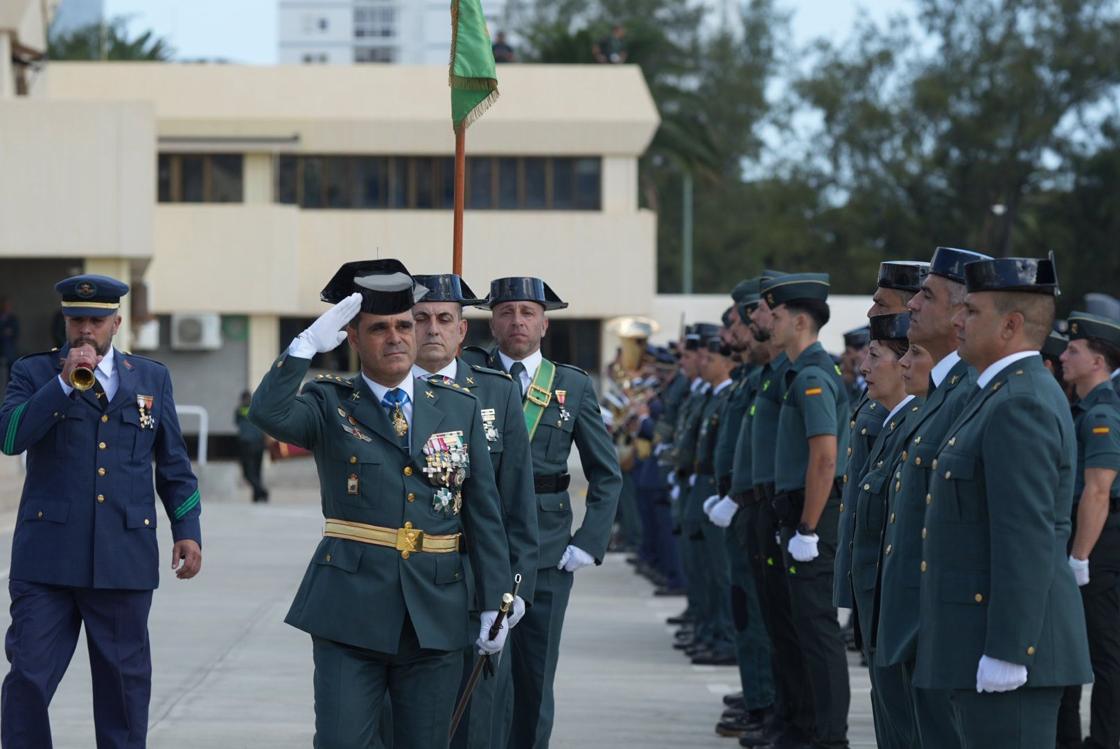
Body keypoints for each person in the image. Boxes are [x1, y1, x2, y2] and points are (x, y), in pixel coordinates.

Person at [248, 260, 512, 749]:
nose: (395, 338)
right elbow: (268, 413)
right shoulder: (330, 403)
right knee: (341, 740)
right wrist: (303, 347)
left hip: (436, 608)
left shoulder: (457, 405)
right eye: (379, 328)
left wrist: (494, 601)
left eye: (403, 326)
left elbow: (483, 512)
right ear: (352, 339)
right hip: (350, 608)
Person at [0, 274, 203, 748]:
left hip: (123, 559)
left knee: (124, 694)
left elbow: (173, 463)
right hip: (47, 560)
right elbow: (10, 439)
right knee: (27, 678)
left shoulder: (151, 378)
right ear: (65, 322)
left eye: (95, 320)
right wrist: (62, 384)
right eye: (76, 320)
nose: (85, 330)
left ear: (116, 322)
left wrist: (187, 528)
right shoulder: (33, 373)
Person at [916, 254, 1092, 748]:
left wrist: (1009, 650)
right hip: (977, 637)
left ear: (1011, 324)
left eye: (971, 311)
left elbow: (1026, 535)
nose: (957, 320)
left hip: (1010, 651)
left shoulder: (1021, 403)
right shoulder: (996, 393)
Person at [462, 276, 622, 749]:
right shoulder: (470, 375)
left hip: (548, 552)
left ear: (544, 323)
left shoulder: (571, 385)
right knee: (483, 677)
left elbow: (606, 472)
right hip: (483, 543)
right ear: (492, 319)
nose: (517, 322)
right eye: (507, 312)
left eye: (527, 312)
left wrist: (588, 543)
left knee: (534, 676)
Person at [409, 272, 538, 749]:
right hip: (405, 580)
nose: (432, 330)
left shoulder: (495, 391)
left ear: (463, 331)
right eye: (420, 319)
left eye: (445, 319)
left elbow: (517, 503)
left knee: (472, 720)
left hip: (473, 583)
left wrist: (512, 591)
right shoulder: (386, 392)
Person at [875, 246, 990, 749]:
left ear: (960, 314)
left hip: (940, 621)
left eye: (926, 295)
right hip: (907, 614)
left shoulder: (970, 394)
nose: (912, 306)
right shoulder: (937, 392)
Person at [766, 272, 851, 749]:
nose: (770, 323)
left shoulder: (814, 375)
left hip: (812, 516)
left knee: (818, 632)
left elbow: (824, 456)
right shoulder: (800, 371)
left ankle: (830, 737)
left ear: (799, 322)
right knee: (803, 629)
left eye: (776, 316)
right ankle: (811, 728)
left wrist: (808, 527)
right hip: (800, 513)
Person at [844, 312, 921, 748]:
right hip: (879, 601)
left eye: (874, 357)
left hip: (900, 605)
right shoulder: (892, 423)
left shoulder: (916, 427)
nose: (863, 367)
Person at [1056, 311, 1120, 749]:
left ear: (1097, 362)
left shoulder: (1102, 412)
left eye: (1073, 350)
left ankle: (1105, 740)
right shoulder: (1083, 406)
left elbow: (1098, 490)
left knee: (1103, 652)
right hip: (1090, 535)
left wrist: (1079, 558)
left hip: (1099, 540)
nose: (1063, 356)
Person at [235, 389, 269, 502]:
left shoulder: (239, 410)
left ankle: (260, 492)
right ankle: (258, 495)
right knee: (257, 472)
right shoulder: (257, 409)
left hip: (247, 444)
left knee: (248, 473)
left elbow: (237, 423)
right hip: (259, 443)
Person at [0, 298, 18, 383]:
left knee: (9, 373)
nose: (6, 307)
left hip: (9, 350)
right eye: (4, 305)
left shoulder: (13, 318)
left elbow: (16, 333)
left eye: (8, 305)